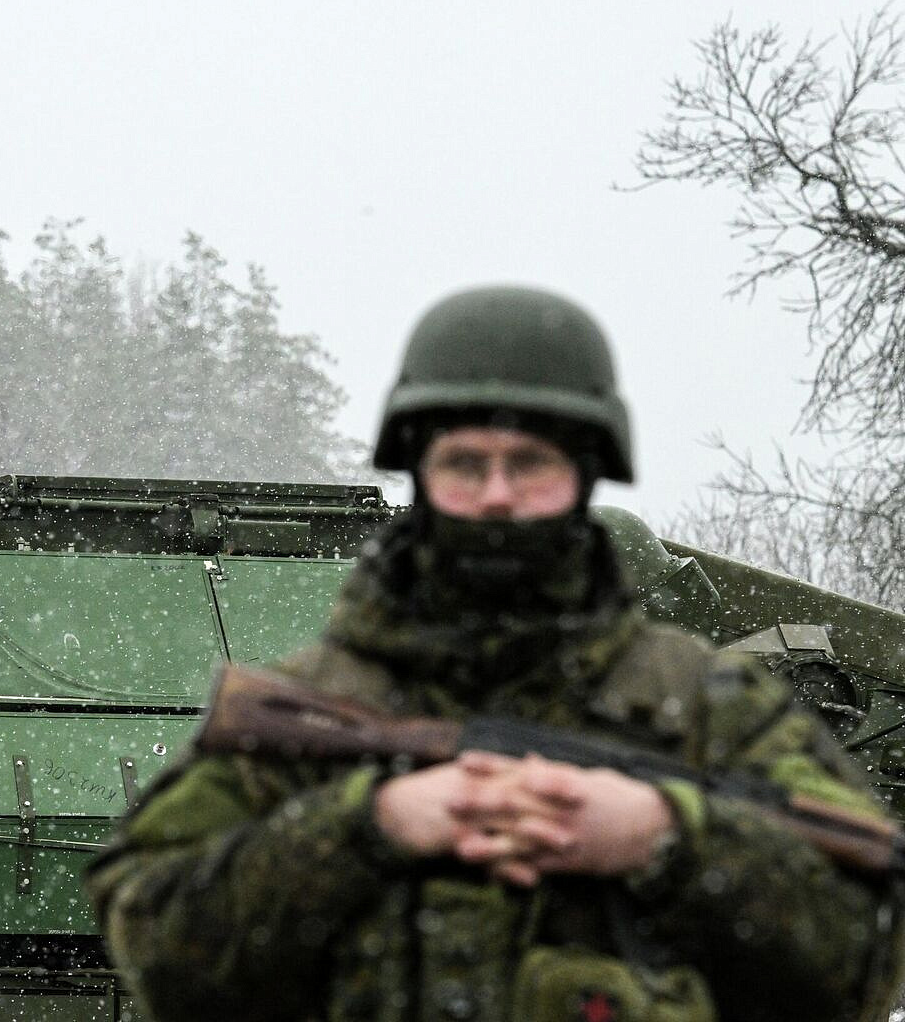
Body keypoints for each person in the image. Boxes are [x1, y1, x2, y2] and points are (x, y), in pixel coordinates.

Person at [85, 286, 905, 1022]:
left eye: (532, 464)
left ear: (586, 475)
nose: (499, 494)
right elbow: (160, 952)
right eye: (465, 464)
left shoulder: (713, 706)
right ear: (420, 473)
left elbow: (869, 958)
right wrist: (371, 826)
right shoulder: (316, 706)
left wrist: (667, 837)